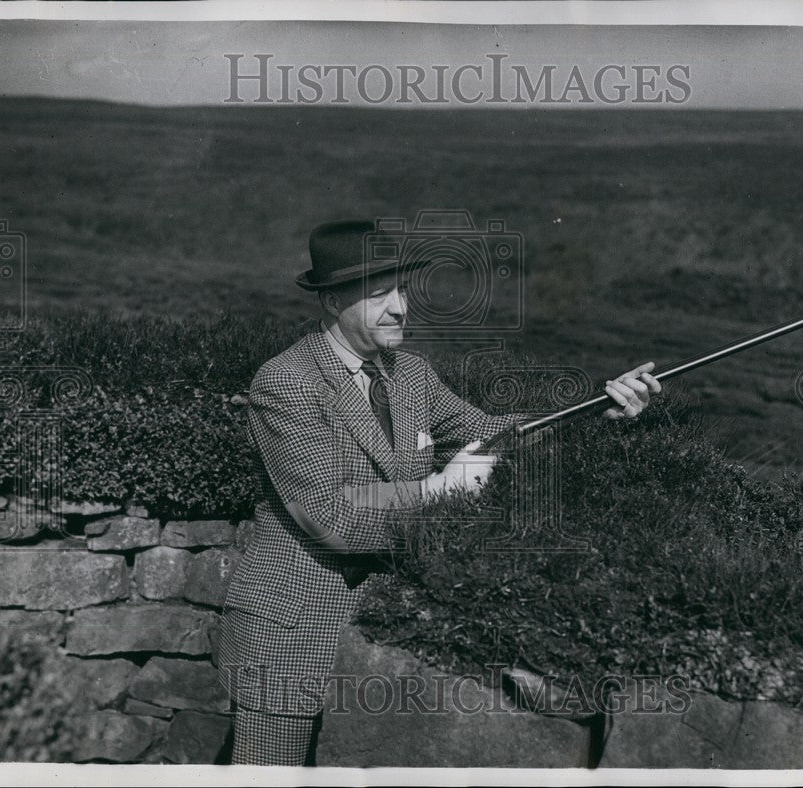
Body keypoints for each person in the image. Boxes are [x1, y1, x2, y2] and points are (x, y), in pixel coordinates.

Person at [213, 219, 662, 765]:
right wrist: (436, 490)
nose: (401, 308)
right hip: (291, 635)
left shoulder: (412, 376)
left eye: (401, 291)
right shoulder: (287, 383)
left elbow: (495, 435)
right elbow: (329, 517)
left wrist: (600, 411)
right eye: (379, 295)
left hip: (374, 641)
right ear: (331, 302)